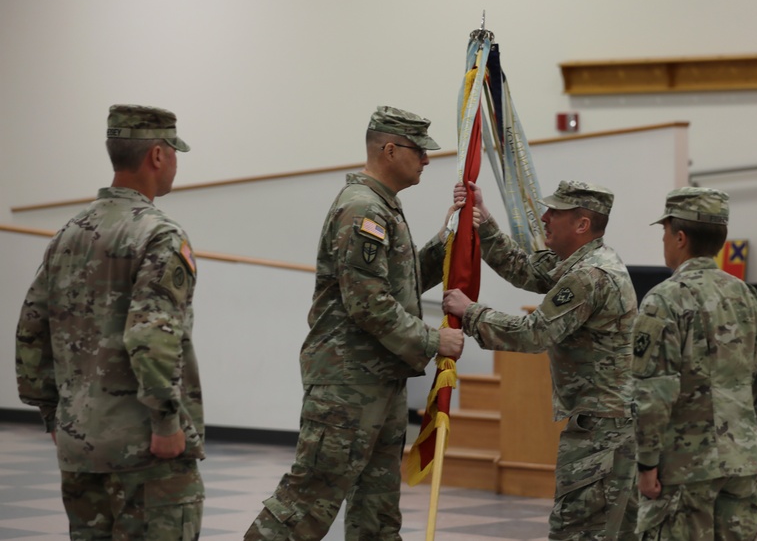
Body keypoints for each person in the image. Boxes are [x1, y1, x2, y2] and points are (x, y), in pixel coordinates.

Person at [245, 105, 466, 540]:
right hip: (348, 382)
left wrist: (447, 241)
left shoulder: (384, 206)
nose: (426, 159)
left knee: (378, 510)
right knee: (308, 499)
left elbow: (402, 283)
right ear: (389, 149)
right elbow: (367, 303)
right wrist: (432, 339)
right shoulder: (362, 209)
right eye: (419, 150)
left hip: (378, 378)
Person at [15, 104, 205, 539]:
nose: (175, 163)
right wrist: (166, 422)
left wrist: (53, 417)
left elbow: (31, 329)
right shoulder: (159, 234)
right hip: (146, 453)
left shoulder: (68, 233)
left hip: (80, 444)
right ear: (157, 155)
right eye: (174, 152)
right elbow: (151, 336)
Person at [443, 180, 639, 540]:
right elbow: (529, 271)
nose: (545, 217)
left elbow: (533, 334)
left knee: (576, 531)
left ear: (581, 224)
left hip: (602, 433)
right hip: (608, 426)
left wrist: (470, 313)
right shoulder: (583, 262)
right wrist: (484, 222)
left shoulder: (588, 274)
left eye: (556, 212)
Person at [632, 187, 757, 541]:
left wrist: (646, 463)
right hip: (743, 463)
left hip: (682, 470)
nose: (663, 239)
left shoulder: (664, 299)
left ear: (679, 237)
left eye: (664, 231)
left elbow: (654, 391)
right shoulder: (747, 296)